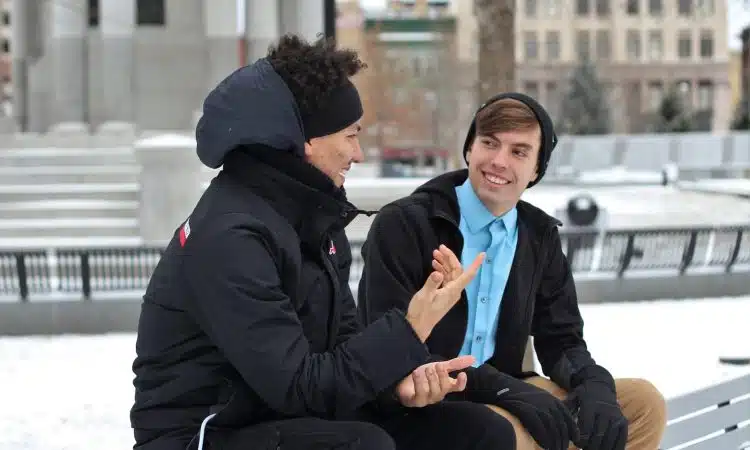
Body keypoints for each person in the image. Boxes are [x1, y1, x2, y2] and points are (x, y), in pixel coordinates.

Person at [129, 34, 506, 450]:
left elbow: (341, 349)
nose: (358, 153)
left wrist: (399, 386)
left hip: (282, 419)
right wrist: (411, 326)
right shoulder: (231, 237)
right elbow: (299, 386)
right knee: (362, 445)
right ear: (303, 140)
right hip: (205, 435)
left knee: (476, 430)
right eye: (350, 135)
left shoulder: (311, 221)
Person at [357, 92, 668, 450]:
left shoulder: (538, 236)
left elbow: (561, 338)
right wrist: (505, 389)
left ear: (536, 168)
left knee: (642, 405)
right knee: (510, 432)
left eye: (519, 152)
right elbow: (385, 344)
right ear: (470, 149)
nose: (499, 161)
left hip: (509, 391)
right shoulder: (406, 225)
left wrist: (594, 384)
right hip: (428, 399)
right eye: (489, 143)